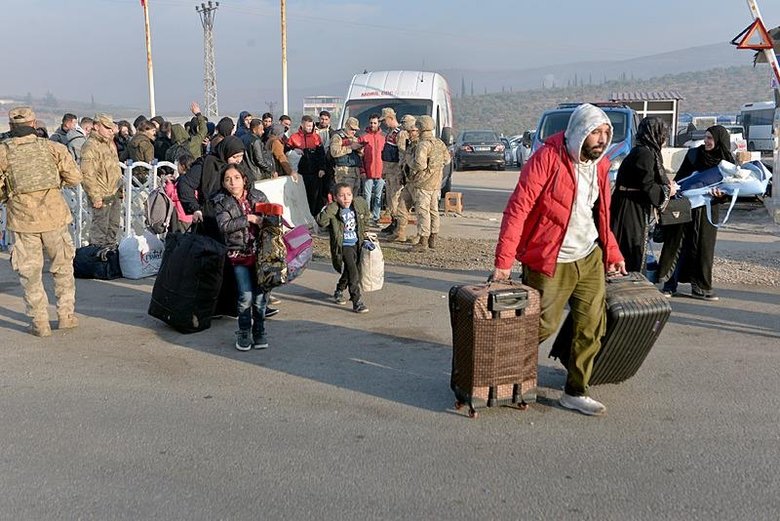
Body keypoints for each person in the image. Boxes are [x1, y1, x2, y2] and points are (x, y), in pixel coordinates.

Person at [491, 103, 626, 417]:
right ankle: (502, 370)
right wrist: (504, 260)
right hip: (550, 257)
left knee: (591, 325)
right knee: (542, 323)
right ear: (579, 131)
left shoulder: (601, 165)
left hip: (589, 256)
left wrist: (613, 253)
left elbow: (602, 214)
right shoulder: (547, 158)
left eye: (606, 132)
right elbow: (518, 208)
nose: (602, 139)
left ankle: (576, 391)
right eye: (596, 132)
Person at [0, 106, 82, 337]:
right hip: (54, 216)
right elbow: (75, 177)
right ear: (34, 124)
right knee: (62, 267)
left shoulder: (3, 153)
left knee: (30, 273)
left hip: (23, 220)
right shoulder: (53, 148)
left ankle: (40, 322)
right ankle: (65, 316)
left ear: (11, 127)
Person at [658, 125, 732, 301]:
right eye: (706, 137)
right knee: (678, 244)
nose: (707, 141)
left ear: (720, 140)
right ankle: (669, 285)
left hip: (707, 211)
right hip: (686, 207)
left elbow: (729, 190)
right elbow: (680, 180)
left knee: (703, 249)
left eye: (710, 138)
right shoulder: (693, 155)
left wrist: (721, 196)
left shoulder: (726, 162)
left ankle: (701, 287)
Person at [213, 165, 271, 351]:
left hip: (262, 253)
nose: (233, 182)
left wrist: (270, 221)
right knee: (245, 295)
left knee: (261, 296)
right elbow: (224, 225)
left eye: (236, 177)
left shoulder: (258, 196)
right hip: (238, 254)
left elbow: (272, 219)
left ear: (244, 179)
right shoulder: (221, 202)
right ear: (223, 182)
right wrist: (250, 219)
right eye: (228, 179)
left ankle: (259, 330)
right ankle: (244, 330)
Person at [610, 117, 678, 273]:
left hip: (633, 205)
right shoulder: (644, 154)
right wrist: (668, 191)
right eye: (662, 133)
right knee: (630, 245)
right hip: (629, 208)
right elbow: (647, 184)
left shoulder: (647, 151)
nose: (664, 137)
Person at [316, 183, 370, 314]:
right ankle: (356, 301)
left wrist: (366, 236)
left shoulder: (357, 206)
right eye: (341, 195)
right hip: (344, 245)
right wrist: (333, 207)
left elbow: (366, 218)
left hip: (357, 243)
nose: (346, 198)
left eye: (349, 195)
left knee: (351, 270)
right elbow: (321, 221)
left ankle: (339, 289)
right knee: (353, 272)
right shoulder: (334, 210)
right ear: (335, 197)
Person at [80, 114, 123, 248]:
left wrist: (120, 189)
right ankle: (97, 260)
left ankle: (109, 257)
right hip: (101, 194)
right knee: (100, 230)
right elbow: (87, 174)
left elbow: (115, 168)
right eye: (106, 127)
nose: (110, 130)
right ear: (96, 126)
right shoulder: (90, 146)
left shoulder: (110, 143)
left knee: (113, 227)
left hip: (114, 192)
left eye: (111, 128)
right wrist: (95, 196)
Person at [408, 115, 450, 250]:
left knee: (422, 211)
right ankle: (433, 238)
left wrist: (409, 160)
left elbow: (419, 165)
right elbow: (447, 159)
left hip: (423, 183)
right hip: (436, 183)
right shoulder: (439, 143)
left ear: (420, 127)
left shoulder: (423, 144)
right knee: (434, 210)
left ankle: (423, 241)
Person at [287, 115, 326, 216]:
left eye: (311, 126)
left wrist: (322, 168)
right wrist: (293, 150)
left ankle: (313, 217)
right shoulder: (294, 137)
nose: (309, 128)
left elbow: (321, 154)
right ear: (302, 125)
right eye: (308, 126)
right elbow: (285, 151)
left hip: (314, 173)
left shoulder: (316, 138)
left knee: (315, 197)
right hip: (300, 173)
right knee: (301, 197)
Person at [378, 107, 403, 236]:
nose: (383, 123)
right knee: (389, 198)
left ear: (390, 118)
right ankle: (393, 221)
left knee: (395, 198)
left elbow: (401, 153)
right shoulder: (390, 133)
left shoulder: (399, 133)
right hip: (388, 169)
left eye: (384, 120)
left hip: (395, 170)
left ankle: (398, 225)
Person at [359, 113, 386, 224]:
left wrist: (385, 171)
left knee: (379, 196)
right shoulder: (363, 137)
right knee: (367, 196)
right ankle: (366, 217)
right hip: (368, 172)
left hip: (380, 172)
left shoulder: (383, 137)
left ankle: (376, 216)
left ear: (378, 123)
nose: (373, 125)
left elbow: (386, 156)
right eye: (371, 123)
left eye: (375, 123)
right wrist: (362, 170)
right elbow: (359, 156)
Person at [329, 117, 363, 195]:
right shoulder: (337, 137)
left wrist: (360, 150)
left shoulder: (355, 138)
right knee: (344, 197)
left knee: (354, 197)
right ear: (346, 126)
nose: (353, 132)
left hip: (355, 171)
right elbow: (334, 152)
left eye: (355, 130)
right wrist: (350, 147)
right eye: (352, 129)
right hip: (343, 172)